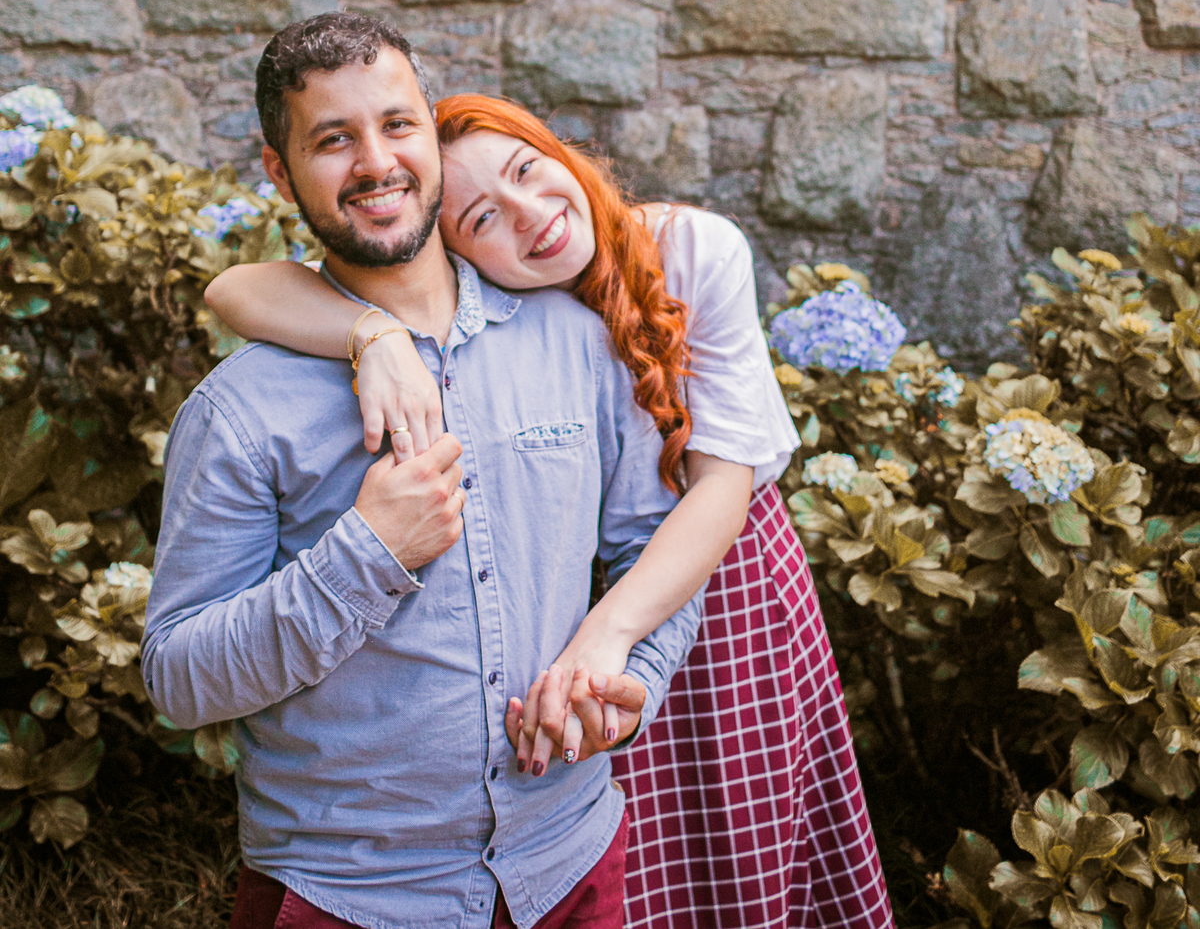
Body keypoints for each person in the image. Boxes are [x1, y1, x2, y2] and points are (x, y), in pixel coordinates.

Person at [206, 82, 895, 929]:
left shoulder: (688, 248)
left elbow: (722, 487)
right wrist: (372, 335)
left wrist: (606, 635)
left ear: (559, 151)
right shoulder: (498, 303)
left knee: (730, 846)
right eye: (483, 219)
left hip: (714, 580)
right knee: (618, 852)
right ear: (454, 254)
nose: (530, 216)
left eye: (529, 171)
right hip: (555, 615)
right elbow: (233, 290)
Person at [143, 12, 705, 929]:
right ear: (280, 171)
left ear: (430, 133)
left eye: (397, 124)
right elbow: (179, 679)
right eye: (333, 139)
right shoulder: (241, 410)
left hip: (567, 866)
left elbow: (656, 545)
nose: (376, 162)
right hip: (346, 895)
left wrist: (630, 679)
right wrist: (365, 554)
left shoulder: (577, 344)